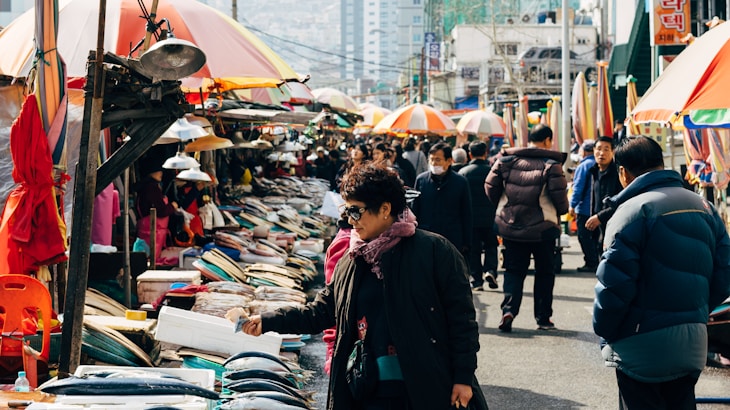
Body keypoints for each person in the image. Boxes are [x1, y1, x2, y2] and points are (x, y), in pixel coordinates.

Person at [235, 164, 487, 410]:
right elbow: (321, 312)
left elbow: (461, 321)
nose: (348, 219)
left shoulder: (436, 252)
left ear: (385, 209)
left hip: (425, 387)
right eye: (346, 210)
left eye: (355, 211)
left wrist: (463, 377)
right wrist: (267, 321)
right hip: (367, 389)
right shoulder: (353, 259)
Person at [593, 136, 730, 409]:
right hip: (692, 343)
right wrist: (696, 312)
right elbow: (724, 275)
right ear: (661, 162)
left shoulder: (631, 212)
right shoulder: (705, 207)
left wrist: (606, 332)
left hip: (640, 344)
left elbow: (613, 288)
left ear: (623, 173)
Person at [485, 124, 568, 332]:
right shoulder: (551, 164)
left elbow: (489, 186)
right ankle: (543, 319)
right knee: (544, 273)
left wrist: (505, 206)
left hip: (511, 226)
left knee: (513, 271)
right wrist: (562, 211)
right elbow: (560, 199)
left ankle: (509, 310)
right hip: (543, 229)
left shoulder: (505, 161)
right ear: (548, 141)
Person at [411, 142, 473, 258]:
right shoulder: (421, 180)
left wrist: (467, 242)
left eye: (438, 160)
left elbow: (466, 213)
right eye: (431, 160)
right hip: (427, 237)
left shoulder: (460, 182)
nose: (434, 163)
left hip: (452, 238)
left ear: (449, 161)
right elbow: (415, 210)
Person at [459, 140, 499, 290]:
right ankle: (491, 270)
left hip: (471, 218)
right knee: (491, 245)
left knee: (474, 249)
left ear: (470, 154)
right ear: (485, 153)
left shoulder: (463, 173)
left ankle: (476, 280)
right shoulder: (492, 171)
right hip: (490, 216)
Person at [135, 164, 179, 262]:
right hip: (151, 233)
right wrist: (172, 206)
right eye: (158, 170)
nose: (161, 173)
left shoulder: (150, 187)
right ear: (150, 172)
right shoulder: (151, 188)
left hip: (153, 232)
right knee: (149, 260)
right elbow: (161, 211)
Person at [584, 136, 622, 246]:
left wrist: (600, 217)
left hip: (614, 226)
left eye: (606, 149)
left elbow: (621, 201)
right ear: (594, 151)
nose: (602, 153)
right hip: (598, 227)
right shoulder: (594, 171)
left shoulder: (618, 174)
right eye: (599, 149)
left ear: (613, 152)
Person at [569, 140, 598, 272]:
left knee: (584, 237)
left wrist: (572, 205)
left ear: (585, 151)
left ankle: (591, 262)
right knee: (597, 237)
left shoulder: (584, 166)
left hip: (585, 209)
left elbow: (578, 188)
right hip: (599, 209)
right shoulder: (602, 164)